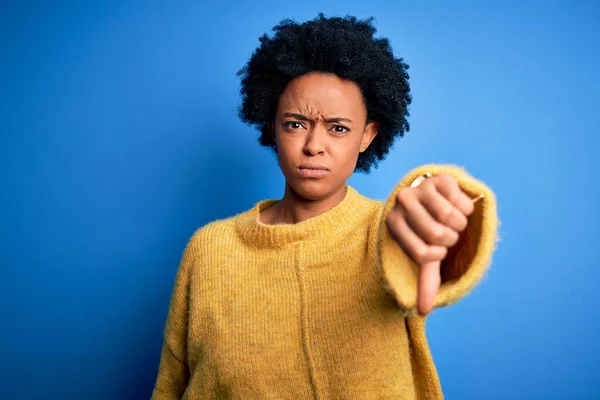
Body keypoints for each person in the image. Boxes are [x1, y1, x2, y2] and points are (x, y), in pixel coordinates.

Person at [151, 14, 498, 400]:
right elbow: (171, 384)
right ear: (271, 126)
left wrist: (435, 204)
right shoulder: (209, 249)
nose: (314, 145)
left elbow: (437, 243)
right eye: (296, 124)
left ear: (367, 136)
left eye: (338, 128)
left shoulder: (385, 231)